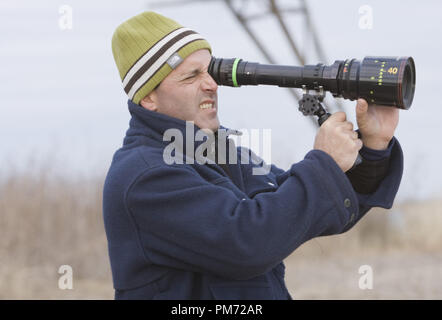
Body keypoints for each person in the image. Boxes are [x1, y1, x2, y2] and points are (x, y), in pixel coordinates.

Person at [103, 11, 403, 300]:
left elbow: (303, 209)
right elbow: (247, 242)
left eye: (210, 70)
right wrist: (323, 162)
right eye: (191, 76)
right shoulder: (144, 175)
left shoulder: (222, 153)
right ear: (149, 98)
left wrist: (373, 147)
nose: (211, 84)